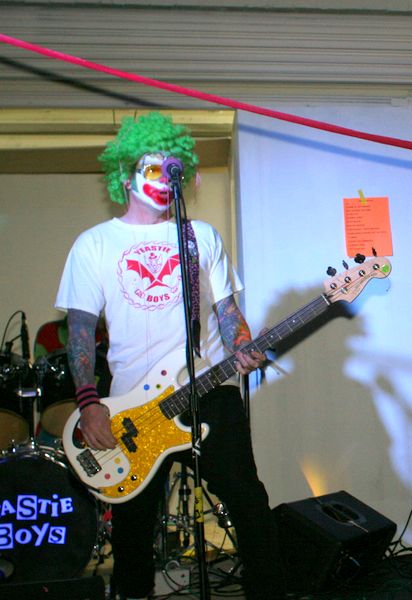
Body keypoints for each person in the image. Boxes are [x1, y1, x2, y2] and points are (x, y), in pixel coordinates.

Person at [55, 112, 285, 600]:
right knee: (134, 524)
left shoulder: (200, 236)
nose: (164, 178)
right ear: (126, 175)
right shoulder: (94, 245)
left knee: (248, 500)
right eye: (153, 168)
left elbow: (228, 313)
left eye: (172, 168)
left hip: (207, 389)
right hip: (132, 406)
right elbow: (79, 332)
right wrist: (89, 401)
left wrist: (242, 346)